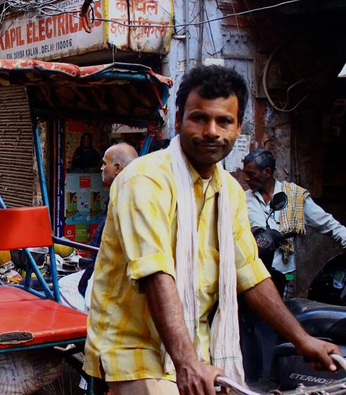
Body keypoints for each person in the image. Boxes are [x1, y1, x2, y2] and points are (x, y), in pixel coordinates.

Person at [85, 65, 339, 395]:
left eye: (224, 121)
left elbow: (249, 272)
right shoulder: (144, 180)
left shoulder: (229, 192)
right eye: (200, 118)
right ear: (178, 122)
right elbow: (155, 272)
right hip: (132, 347)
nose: (212, 131)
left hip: (196, 344)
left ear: (238, 129)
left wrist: (303, 340)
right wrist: (186, 363)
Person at [241, 148, 346, 384]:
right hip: (251, 274)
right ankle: (255, 376)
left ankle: (279, 373)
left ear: (267, 172)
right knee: (252, 328)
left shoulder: (294, 196)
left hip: (282, 275)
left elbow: (329, 225)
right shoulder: (242, 199)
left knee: (283, 324)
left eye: (251, 173)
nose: (246, 178)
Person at [60, 142, 138, 312]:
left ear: (117, 168)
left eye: (104, 163)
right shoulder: (120, 191)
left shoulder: (126, 195)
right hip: (100, 266)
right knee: (64, 284)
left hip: (111, 273)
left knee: (67, 290)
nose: (101, 168)